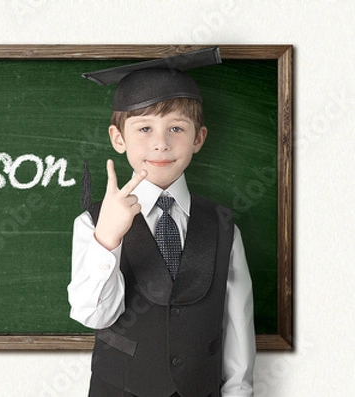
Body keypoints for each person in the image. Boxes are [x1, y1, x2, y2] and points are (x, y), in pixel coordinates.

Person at [67, 48, 256, 397]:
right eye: (144, 128)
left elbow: (237, 325)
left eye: (176, 128)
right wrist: (107, 238)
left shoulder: (223, 226)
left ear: (198, 138)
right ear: (118, 139)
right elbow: (92, 315)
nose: (160, 144)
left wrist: (239, 391)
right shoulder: (92, 223)